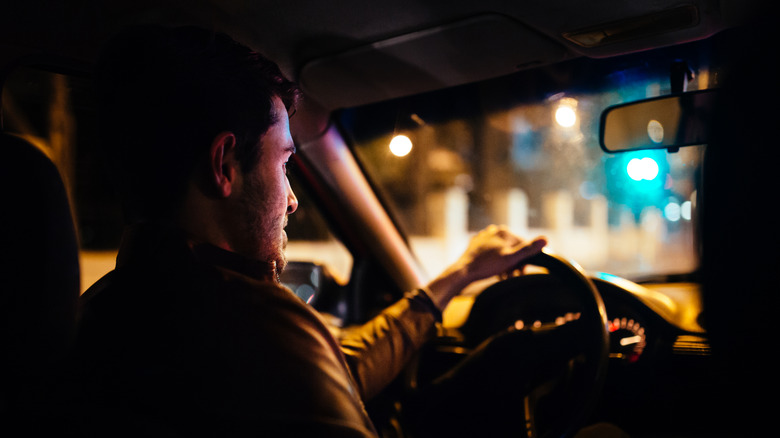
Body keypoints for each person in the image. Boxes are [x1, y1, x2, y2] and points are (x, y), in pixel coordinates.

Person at [69, 25, 550, 436]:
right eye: (284, 164)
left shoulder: (96, 316)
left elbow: (341, 369)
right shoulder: (254, 323)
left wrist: (458, 276)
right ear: (224, 165)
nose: (293, 198)